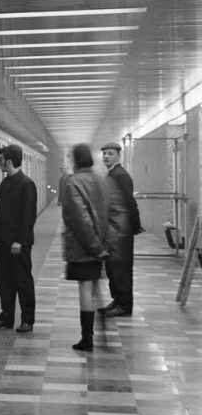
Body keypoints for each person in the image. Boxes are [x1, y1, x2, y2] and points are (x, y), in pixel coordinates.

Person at [60, 143, 110, 352]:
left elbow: (81, 220)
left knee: (86, 287)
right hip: (101, 241)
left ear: (75, 160)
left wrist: (94, 247)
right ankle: (103, 325)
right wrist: (102, 245)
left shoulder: (73, 184)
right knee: (96, 286)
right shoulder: (100, 179)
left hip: (84, 246)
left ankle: (87, 337)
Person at [0, 144, 38, 332]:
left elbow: (28, 216)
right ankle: (6, 317)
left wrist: (20, 241)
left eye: (0, 160)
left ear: (8, 161)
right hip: (5, 242)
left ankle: (27, 319)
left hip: (19, 245)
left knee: (23, 281)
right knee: (5, 282)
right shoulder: (5, 183)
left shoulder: (27, 184)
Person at [100, 141, 143, 318]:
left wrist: (134, 226)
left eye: (110, 153)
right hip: (114, 230)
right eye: (104, 153)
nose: (106, 156)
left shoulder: (120, 175)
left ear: (119, 155)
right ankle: (117, 300)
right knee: (113, 268)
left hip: (121, 231)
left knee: (121, 269)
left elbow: (129, 203)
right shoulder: (112, 174)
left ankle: (125, 305)